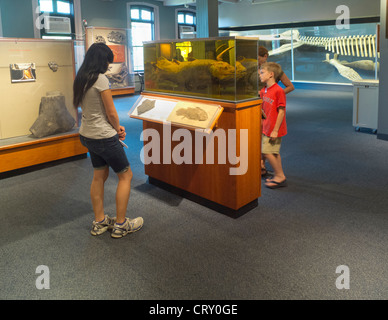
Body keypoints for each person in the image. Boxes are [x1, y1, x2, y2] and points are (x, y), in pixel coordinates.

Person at [73, 43, 143, 238]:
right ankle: (121, 224)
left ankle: (100, 221)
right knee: (126, 176)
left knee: (99, 176)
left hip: (87, 135)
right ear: (101, 61)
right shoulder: (100, 79)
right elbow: (111, 112)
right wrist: (118, 128)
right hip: (104, 136)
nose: (108, 65)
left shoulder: (81, 77)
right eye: (107, 61)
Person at [259, 46, 294, 177]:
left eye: (259, 58)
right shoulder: (260, 75)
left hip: (271, 114)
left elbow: (290, 86)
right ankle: (262, 166)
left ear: (265, 56)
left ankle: (277, 174)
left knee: (269, 147)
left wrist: (275, 96)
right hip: (263, 112)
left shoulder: (273, 70)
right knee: (264, 142)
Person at [259, 62, 287, 189]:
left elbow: (281, 111)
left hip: (274, 128)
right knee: (274, 152)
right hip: (266, 127)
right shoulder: (263, 90)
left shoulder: (278, 91)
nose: (260, 75)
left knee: (266, 151)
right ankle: (279, 174)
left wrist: (275, 130)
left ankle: (280, 176)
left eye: (262, 72)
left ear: (271, 74)